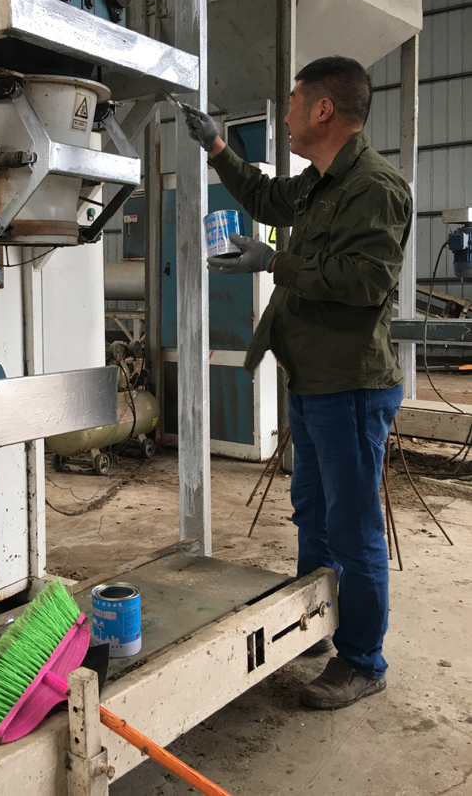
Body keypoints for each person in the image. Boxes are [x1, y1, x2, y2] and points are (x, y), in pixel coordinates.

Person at [183, 55, 412, 710]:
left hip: (350, 386)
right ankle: (314, 623)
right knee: (313, 512)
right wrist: (218, 148)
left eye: (291, 103)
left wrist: (274, 261)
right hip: (312, 381)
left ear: (322, 110)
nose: (284, 115)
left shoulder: (375, 187)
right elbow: (264, 198)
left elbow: (364, 281)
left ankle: (363, 660)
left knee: (353, 526)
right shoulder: (317, 182)